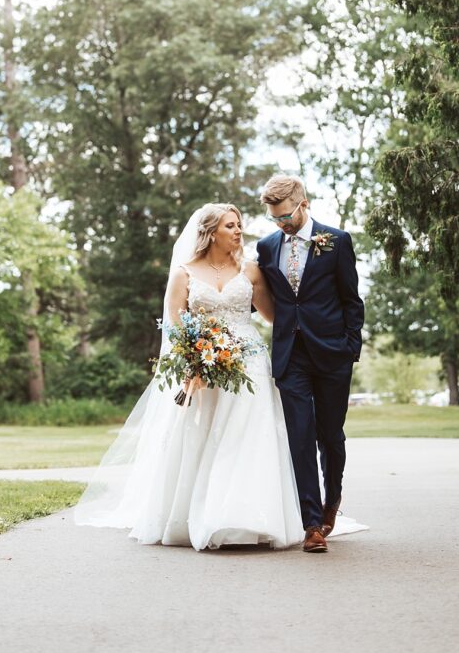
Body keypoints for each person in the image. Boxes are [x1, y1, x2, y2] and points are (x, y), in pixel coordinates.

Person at [74, 202, 365, 551]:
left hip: (251, 362)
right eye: (231, 225)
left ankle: (251, 517)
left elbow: (277, 317)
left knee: (251, 435)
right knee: (206, 437)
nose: (239, 230)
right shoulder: (183, 273)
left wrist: (321, 333)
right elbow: (174, 325)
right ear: (211, 232)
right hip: (205, 368)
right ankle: (204, 514)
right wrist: (196, 357)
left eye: (239, 224)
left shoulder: (253, 270)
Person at [257, 174, 365, 552]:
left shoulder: (337, 242)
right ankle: (312, 524)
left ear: (303, 205)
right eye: (275, 219)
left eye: (286, 216)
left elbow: (352, 300)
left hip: (333, 354)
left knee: (330, 437)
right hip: (291, 357)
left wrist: (351, 347)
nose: (281, 225)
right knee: (300, 437)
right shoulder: (267, 247)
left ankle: (331, 499)